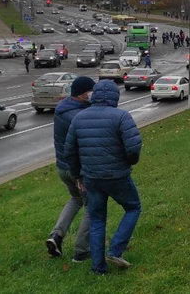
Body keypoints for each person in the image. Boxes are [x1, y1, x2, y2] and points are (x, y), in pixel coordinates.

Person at [64, 80, 143, 275]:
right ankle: (115, 249)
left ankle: (98, 267)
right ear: (115, 96)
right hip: (117, 176)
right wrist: (128, 163)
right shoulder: (122, 116)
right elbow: (133, 147)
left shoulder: (79, 118)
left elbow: (69, 151)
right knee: (133, 207)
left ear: (94, 95)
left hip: (91, 177)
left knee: (97, 219)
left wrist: (77, 175)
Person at [46, 76, 95, 261]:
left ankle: (56, 236)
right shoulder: (76, 116)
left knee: (76, 199)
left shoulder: (64, 108)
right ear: (83, 94)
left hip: (62, 167)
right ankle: (82, 250)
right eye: (91, 91)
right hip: (77, 170)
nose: (93, 94)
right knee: (92, 206)